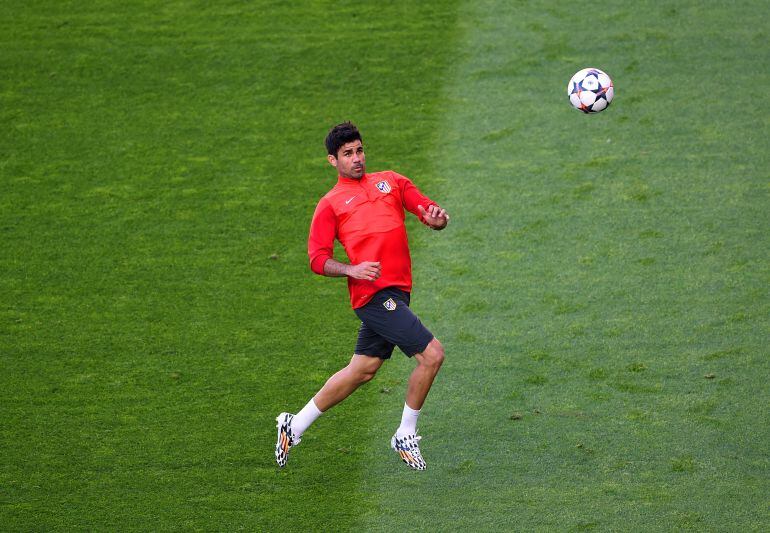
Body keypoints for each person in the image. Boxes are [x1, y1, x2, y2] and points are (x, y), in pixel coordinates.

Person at [274, 122, 450, 471]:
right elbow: (316, 259)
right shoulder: (330, 204)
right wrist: (351, 270)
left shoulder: (392, 181)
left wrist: (437, 219)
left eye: (359, 150)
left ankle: (293, 425)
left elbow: (427, 211)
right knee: (432, 356)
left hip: (398, 290)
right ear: (332, 160)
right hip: (372, 294)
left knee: (363, 369)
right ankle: (405, 433)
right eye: (348, 154)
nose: (357, 159)